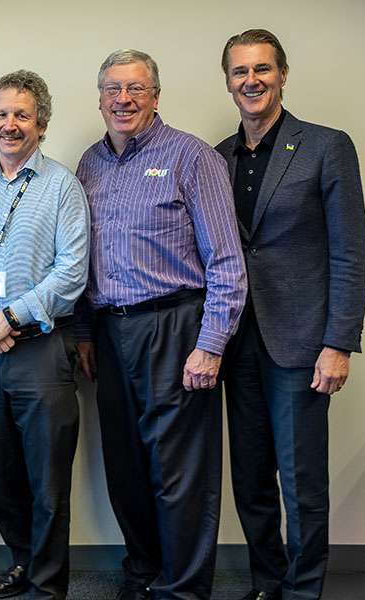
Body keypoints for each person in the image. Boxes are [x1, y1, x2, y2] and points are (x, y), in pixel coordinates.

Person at [74, 49, 247, 600]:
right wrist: (84, 332)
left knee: (180, 472)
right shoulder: (89, 164)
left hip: (175, 327)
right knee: (125, 466)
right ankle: (143, 572)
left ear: (155, 96)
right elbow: (82, 257)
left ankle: (182, 588)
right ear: (100, 98)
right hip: (110, 331)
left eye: (136, 89)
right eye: (113, 89)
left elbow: (226, 262)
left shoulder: (192, 157)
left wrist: (211, 344)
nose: (123, 100)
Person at [215, 29, 365, 600]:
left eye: (262, 69)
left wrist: (339, 342)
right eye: (240, 71)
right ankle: (267, 583)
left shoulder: (327, 146)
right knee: (251, 477)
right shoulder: (218, 157)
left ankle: (304, 591)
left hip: (302, 343)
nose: (251, 80)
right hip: (238, 341)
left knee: (301, 481)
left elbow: (350, 251)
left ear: (282, 74)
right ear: (228, 82)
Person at [0, 70, 90, 600]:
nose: (11, 124)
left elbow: (72, 272)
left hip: (41, 353)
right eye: (2, 114)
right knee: (0, 474)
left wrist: (8, 319)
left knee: (47, 482)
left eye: (22, 115)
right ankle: (23, 563)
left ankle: (48, 587)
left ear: (41, 124)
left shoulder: (62, 186)